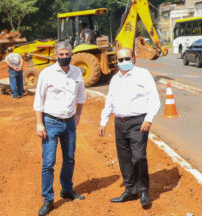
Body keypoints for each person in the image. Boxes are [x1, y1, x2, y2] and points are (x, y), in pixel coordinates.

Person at [98, 47, 160, 206]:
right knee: (124, 159)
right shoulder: (115, 79)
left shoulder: (143, 74)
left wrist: (149, 118)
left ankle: (144, 190)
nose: (124, 62)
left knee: (138, 157)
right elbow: (109, 101)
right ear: (117, 62)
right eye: (121, 60)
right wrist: (103, 121)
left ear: (133, 58)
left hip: (138, 123)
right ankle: (130, 190)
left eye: (127, 58)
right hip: (120, 123)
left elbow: (154, 98)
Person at [33, 41, 86, 216]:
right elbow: (38, 101)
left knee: (69, 158)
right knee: (48, 163)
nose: (64, 57)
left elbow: (81, 96)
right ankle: (48, 199)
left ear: (71, 54)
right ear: (56, 55)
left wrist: (78, 115)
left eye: (67, 54)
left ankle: (67, 189)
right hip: (50, 122)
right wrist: (39, 123)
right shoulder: (47, 74)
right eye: (61, 54)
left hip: (69, 122)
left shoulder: (76, 72)